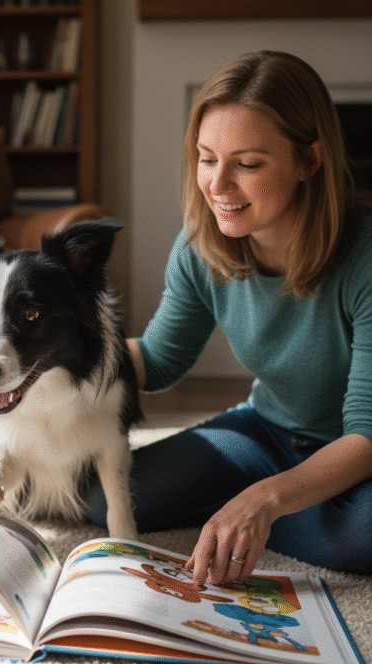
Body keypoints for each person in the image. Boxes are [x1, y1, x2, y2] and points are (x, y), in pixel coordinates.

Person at [85, 51, 372, 586]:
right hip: (264, 433)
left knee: (363, 533)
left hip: (354, 456)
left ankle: (250, 510)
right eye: (206, 157)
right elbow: (160, 359)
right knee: (104, 498)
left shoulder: (365, 258)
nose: (217, 184)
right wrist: (54, 357)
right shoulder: (201, 249)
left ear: (311, 160)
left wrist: (264, 499)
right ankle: (250, 509)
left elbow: (366, 434)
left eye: (248, 163)